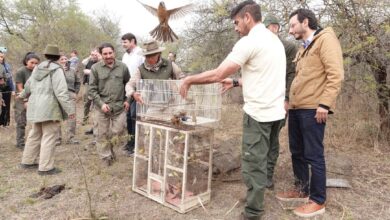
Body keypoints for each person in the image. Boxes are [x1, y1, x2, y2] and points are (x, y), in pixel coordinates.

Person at [179, 1, 286, 219]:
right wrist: (236, 83)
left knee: (252, 163)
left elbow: (218, 74)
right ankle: (260, 193)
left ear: (247, 17)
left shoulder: (249, 42)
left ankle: (254, 211)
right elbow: (264, 77)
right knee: (267, 155)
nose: (236, 28)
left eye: (236, 22)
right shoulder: (274, 40)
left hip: (259, 114)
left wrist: (189, 79)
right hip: (277, 113)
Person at [275, 9, 344, 218]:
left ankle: (318, 200)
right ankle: (302, 189)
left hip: (314, 108)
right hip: (297, 108)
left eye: (293, 25)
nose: (290, 30)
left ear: (305, 22)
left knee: (313, 155)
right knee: (297, 152)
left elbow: (336, 75)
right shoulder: (303, 48)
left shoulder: (326, 40)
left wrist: (324, 104)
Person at [18, 44, 75, 175]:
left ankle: (27, 161)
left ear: (45, 55)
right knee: (49, 136)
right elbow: (61, 92)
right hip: (49, 108)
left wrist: (21, 96)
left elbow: (27, 86)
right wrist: (70, 111)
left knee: (35, 133)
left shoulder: (37, 68)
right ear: (58, 57)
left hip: (35, 107)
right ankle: (46, 167)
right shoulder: (57, 70)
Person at [262, 14, 298, 189]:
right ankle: (258, 175)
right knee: (259, 139)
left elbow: (292, 74)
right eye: (270, 26)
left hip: (278, 100)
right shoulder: (259, 45)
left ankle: (268, 176)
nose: (273, 29)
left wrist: (287, 98)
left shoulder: (289, 47)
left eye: (276, 26)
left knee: (272, 138)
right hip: (261, 100)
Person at [89, 43, 130, 166]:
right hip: (101, 106)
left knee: (117, 131)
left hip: (119, 107)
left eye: (110, 53)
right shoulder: (95, 68)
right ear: (101, 55)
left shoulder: (123, 67)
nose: (108, 56)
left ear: (114, 53)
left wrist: (128, 100)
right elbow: (92, 89)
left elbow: (129, 85)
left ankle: (111, 151)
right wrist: (101, 104)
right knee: (101, 133)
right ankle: (105, 157)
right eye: (105, 54)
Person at [125, 39, 185, 119]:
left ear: (159, 54)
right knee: (150, 124)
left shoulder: (170, 65)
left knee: (173, 124)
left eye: (152, 55)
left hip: (172, 103)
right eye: (147, 56)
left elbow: (182, 79)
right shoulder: (141, 69)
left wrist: (178, 87)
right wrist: (133, 93)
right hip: (153, 105)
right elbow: (129, 85)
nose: (149, 58)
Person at [121, 33, 145, 156]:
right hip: (128, 88)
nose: (123, 44)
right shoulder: (125, 55)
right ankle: (130, 143)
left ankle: (136, 144)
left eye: (125, 42)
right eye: (122, 42)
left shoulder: (141, 53)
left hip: (138, 89)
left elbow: (144, 71)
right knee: (128, 116)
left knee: (135, 115)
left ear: (132, 41)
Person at [14, 52, 40, 149]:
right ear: (26, 61)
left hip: (34, 98)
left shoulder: (37, 71)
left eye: (36, 63)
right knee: (21, 121)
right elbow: (20, 87)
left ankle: (35, 142)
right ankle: (20, 142)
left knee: (37, 121)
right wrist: (25, 100)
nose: (34, 65)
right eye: (32, 62)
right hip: (21, 98)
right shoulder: (21, 71)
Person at [57, 54, 81, 145]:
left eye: (65, 59)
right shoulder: (56, 70)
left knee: (72, 116)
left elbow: (78, 82)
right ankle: (57, 138)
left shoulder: (73, 71)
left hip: (70, 94)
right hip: (58, 95)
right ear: (58, 61)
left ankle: (71, 137)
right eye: (61, 59)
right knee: (57, 116)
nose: (64, 60)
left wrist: (75, 92)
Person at [81, 48, 100, 125]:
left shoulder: (100, 62)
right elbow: (83, 62)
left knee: (97, 103)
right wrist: (90, 57)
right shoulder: (88, 61)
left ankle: (96, 121)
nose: (94, 56)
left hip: (98, 85)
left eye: (95, 55)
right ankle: (85, 119)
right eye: (92, 55)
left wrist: (90, 72)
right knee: (87, 102)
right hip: (88, 84)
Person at [0, 49, 15, 127]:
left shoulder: (7, 66)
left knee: (6, 106)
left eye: (2, 57)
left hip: (6, 88)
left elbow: (10, 78)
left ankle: (5, 123)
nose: (0, 58)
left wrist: (13, 89)